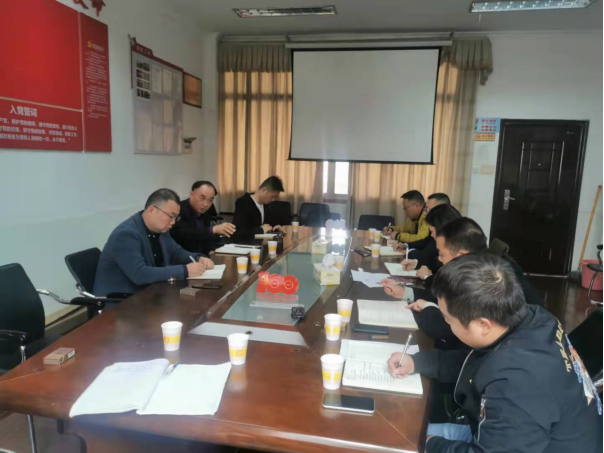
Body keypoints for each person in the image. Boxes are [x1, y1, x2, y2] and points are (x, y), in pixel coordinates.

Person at [387, 254, 603, 452]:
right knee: (400, 431)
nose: (447, 324)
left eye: (448, 319)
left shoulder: (516, 384)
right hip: (509, 435)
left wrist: (431, 444)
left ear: (483, 325)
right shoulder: (535, 319)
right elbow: (478, 360)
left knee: (401, 440)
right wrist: (418, 362)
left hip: (517, 444)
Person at [383, 217, 544, 348]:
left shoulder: (486, 280)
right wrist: (406, 292)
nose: (439, 260)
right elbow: (450, 298)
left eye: (441, 254)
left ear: (460, 255)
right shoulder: (481, 265)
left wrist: (427, 310)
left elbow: (449, 330)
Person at [94, 189, 215, 297]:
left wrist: (198, 258)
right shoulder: (126, 234)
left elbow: (176, 253)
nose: (173, 222)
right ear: (152, 210)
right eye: (171, 216)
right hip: (122, 302)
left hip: (152, 293)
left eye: (176, 218)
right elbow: (140, 274)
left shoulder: (161, 230)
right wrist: (185, 270)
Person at [171, 181, 237, 255]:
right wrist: (213, 229)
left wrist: (211, 250)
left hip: (204, 255)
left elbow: (207, 237)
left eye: (210, 200)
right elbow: (183, 235)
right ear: (191, 194)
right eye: (202, 198)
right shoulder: (179, 209)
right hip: (185, 256)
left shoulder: (207, 210)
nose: (206, 204)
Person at [402, 204, 461, 276]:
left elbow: (448, 280)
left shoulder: (458, 253)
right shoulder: (452, 243)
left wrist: (427, 277)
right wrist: (417, 264)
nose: (431, 235)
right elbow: (438, 264)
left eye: (432, 231)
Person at [232, 176, 285, 241]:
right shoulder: (243, 203)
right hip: (247, 244)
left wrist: (276, 226)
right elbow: (238, 232)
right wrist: (260, 230)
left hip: (261, 243)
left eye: (275, 197)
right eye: (272, 196)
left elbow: (268, 223)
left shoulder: (266, 205)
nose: (273, 200)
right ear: (264, 190)